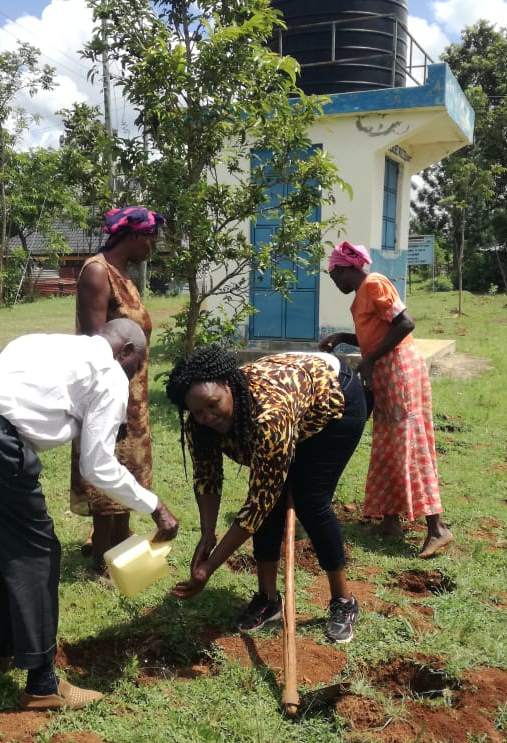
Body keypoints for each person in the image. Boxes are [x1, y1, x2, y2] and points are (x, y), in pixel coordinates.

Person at [0, 318, 180, 710]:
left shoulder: (43, 342)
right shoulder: (109, 372)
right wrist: (154, 505)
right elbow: (96, 467)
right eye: (135, 367)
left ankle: (4, 647)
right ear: (125, 352)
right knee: (38, 554)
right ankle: (42, 684)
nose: (131, 377)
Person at [165, 345, 367, 644]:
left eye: (213, 404)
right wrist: (207, 534)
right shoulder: (199, 422)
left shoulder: (268, 416)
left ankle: (343, 601)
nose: (208, 416)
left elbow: (257, 505)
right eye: (198, 411)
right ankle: (268, 599)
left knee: (311, 499)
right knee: (270, 502)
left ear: (227, 385)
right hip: (295, 397)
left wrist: (208, 568)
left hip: (335, 398)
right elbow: (207, 477)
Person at [318, 241, 453, 559]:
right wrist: (342, 338)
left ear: (345, 269)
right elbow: (375, 333)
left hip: (399, 368)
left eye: (334, 275)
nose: (334, 282)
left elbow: (404, 324)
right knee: (388, 443)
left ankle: (438, 528)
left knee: (410, 442)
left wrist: (369, 360)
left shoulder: (375, 283)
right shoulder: (361, 295)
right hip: (385, 370)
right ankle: (390, 520)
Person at [71, 206, 164, 579]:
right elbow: (95, 345)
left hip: (133, 393)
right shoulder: (98, 272)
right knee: (106, 463)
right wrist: (114, 402)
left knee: (128, 469)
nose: (153, 247)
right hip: (108, 391)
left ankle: (119, 550)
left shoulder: (124, 273)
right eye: (151, 239)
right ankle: (102, 560)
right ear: (134, 236)